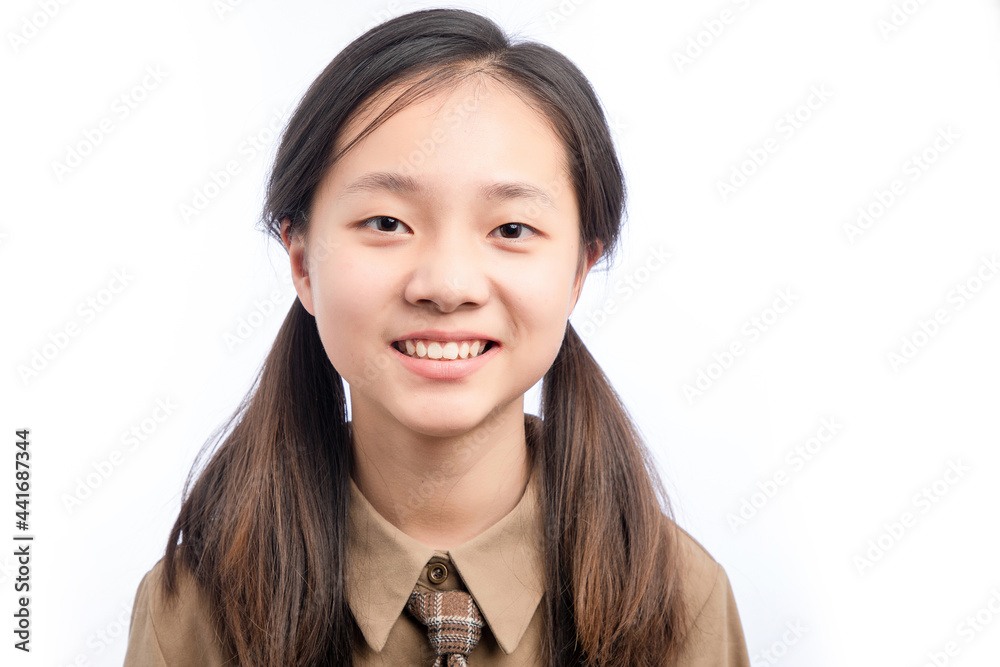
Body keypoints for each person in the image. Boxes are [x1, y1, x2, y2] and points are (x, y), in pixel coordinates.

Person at [123, 7, 751, 666]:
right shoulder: (198, 606)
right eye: (388, 222)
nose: (448, 284)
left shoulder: (677, 598)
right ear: (303, 261)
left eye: (510, 229)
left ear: (578, 272)